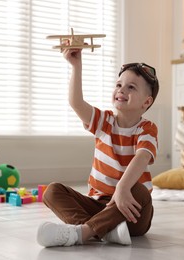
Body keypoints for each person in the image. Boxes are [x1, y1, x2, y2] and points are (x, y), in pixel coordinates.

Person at [36, 46, 159, 247]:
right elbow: (76, 102)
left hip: (132, 212)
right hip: (99, 207)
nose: (121, 89)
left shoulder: (147, 128)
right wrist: (76, 66)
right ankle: (100, 231)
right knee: (52, 191)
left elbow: (142, 157)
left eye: (131, 87)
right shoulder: (104, 121)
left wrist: (122, 188)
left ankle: (82, 232)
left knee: (141, 192)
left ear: (146, 102)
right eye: (119, 84)